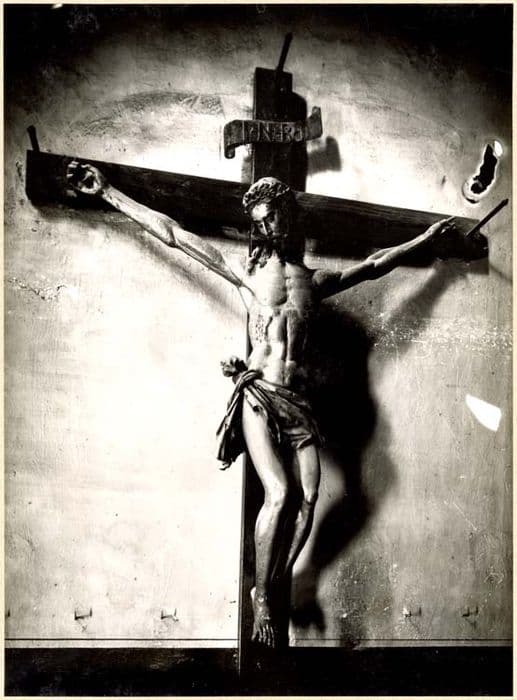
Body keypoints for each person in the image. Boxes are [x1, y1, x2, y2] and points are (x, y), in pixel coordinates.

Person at [67, 162, 454, 647]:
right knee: (280, 493)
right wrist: (107, 191)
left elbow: (377, 265)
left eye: (274, 216)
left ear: (289, 215)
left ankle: (276, 580)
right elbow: (174, 234)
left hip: (300, 404)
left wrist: (426, 241)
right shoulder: (247, 275)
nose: (268, 226)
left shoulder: (315, 282)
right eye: (261, 220)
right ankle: (263, 599)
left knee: (311, 498)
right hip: (259, 396)